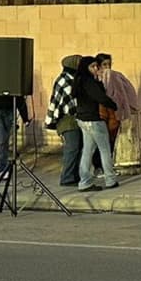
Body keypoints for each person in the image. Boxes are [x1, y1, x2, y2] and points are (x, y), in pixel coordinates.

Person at [72, 56, 119, 192]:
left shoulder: (79, 81)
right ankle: (110, 179)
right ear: (85, 68)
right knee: (104, 150)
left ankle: (85, 182)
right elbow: (100, 97)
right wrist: (113, 105)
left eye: (96, 66)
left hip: (83, 120)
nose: (96, 69)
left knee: (87, 150)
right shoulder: (89, 82)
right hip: (94, 120)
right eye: (92, 66)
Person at [0, 72, 31, 180]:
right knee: (1, 139)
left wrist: (25, 118)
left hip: (9, 112)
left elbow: (20, 99)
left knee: (6, 141)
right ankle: (0, 168)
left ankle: (4, 164)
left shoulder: (14, 78)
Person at [45, 55, 82, 186]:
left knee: (79, 149)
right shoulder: (64, 80)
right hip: (67, 119)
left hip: (76, 118)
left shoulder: (75, 79)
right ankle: (67, 177)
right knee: (72, 148)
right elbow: (64, 101)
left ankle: (76, 176)